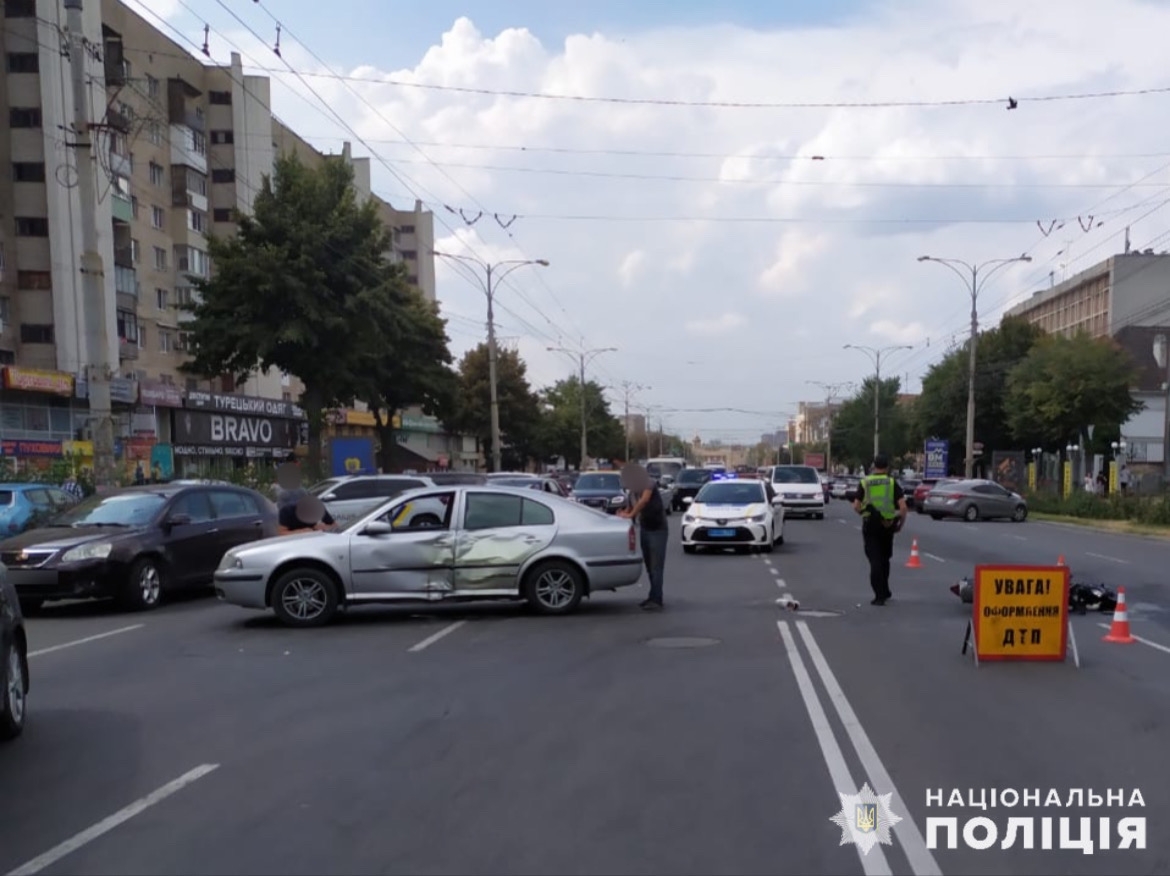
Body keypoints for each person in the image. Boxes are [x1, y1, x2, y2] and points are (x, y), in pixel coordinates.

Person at [852, 454, 909, 606]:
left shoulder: (865, 482)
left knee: (875, 561)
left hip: (870, 524)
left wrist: (864, 513)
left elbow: (856, 506)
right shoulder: (891, 482)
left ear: (873, 466)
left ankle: (879, 595)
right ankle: (885, 590)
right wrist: (899, 525)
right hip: (888, 526)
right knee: (885, 559)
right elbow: (903, 508)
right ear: (887, 467)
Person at [618, 463, 668, 611]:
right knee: (649, 565)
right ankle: (653, 596)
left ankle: (657, 598)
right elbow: (629, 508)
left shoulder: (648, 483)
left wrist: (632, 514)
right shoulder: (632, 492)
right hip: (645, 528)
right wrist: (621, 516)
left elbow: (644, 501)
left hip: (657, 529)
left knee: (656, 566)